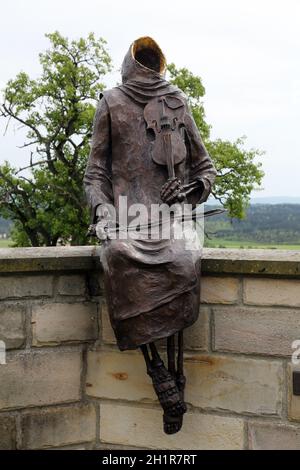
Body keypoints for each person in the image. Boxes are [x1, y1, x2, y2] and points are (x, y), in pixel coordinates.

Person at [84, 36, 217, 434]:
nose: (146, 67)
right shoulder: (111, 102)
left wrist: (191, 191)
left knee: (183, 259)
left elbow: (204, 167)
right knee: (119, 256)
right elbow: (96, 173)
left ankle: (175, 374)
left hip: (170, 220)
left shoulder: (176, 102)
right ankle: (156, 368)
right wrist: (103, 211)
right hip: (127, 221)